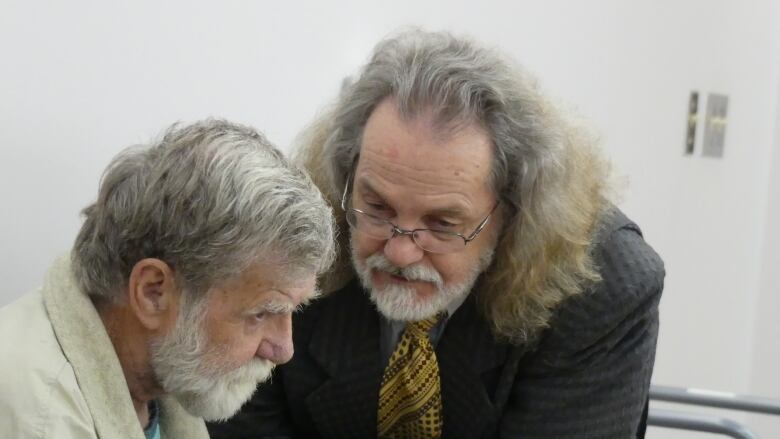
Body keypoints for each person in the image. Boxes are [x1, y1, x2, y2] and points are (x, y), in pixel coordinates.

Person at [208, 29, 664, 439]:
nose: (401, 251)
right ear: (346, 174)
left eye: (443, 224)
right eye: (378, 208)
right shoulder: (290, 237)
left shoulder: (603, 285)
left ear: (513, 211)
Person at [0, 119, 336, 439]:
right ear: (153, 292)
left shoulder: (161, 374)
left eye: (293, 310)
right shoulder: (40, 422)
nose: (283, 349)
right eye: (260, 314)